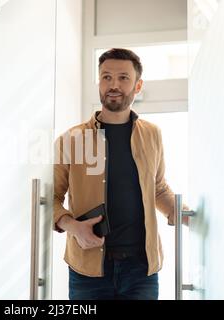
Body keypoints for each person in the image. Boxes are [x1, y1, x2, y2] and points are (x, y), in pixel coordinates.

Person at [53, 48, 181, 300]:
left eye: (123, 77)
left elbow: (157, 188)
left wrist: (185, 214)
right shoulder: (71, 139)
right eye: (106, 77)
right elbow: (49, 199)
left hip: (141, 268)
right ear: (99, 82)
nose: (113, 85)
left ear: (138, 85)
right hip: (88, 271)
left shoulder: (152, 134)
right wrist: (73, 227)